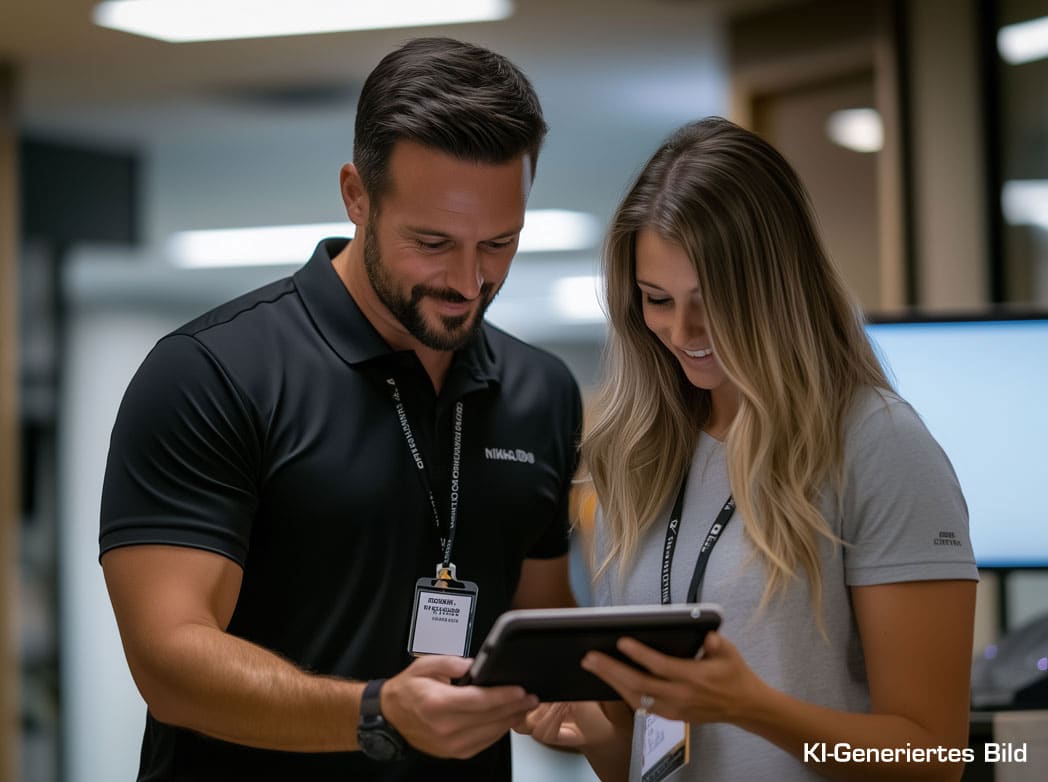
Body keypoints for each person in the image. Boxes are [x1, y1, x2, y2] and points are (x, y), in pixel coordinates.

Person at [99, 37, 581, 781]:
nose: (468, 282)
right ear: (358, 195)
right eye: (432, 242)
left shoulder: (540, 390)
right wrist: (378, 712)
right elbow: (168, 661)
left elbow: (541, 625)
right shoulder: (210, 373)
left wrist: (584, 701)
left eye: (499, 243)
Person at [519, 117, 977, 781]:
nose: (683, 332)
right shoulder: (633, 457)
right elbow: (644, 760)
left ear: (776, 289)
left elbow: (932, 756)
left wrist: (752, 708)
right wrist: (592, 729)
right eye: (657, 299)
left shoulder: (877, 444)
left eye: (711, 301)